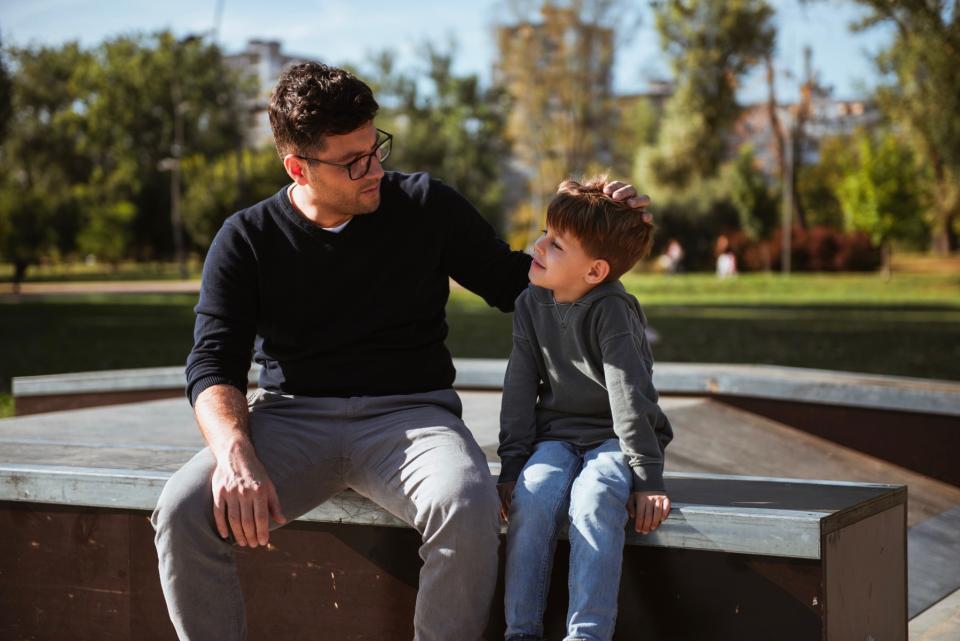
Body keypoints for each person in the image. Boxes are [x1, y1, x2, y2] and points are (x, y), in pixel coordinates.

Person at [150, 62, 650, 641]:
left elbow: (518, 281)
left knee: (468, 504)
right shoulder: (246, 238)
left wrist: (605, 232)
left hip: (412, 418)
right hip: (291, 417)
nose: (374, 170)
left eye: (376, 148)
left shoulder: (425, 205)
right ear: (298, 167)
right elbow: (212, 363)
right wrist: (235, 453)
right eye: (353, 161)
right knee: (183, 508)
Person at [497, 177, 673, 641]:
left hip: (615, 438)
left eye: (555, 244)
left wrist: (646, 476)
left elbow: (628, 394)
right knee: (532, 499)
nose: (537, 246)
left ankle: (587, 635)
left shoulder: (611, 308)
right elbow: (519, 387)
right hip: (555, 435)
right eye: (544, 233)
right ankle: (521, 631)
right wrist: (513, 464)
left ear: (594, 271)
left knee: (593, 501)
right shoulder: (530, 303)